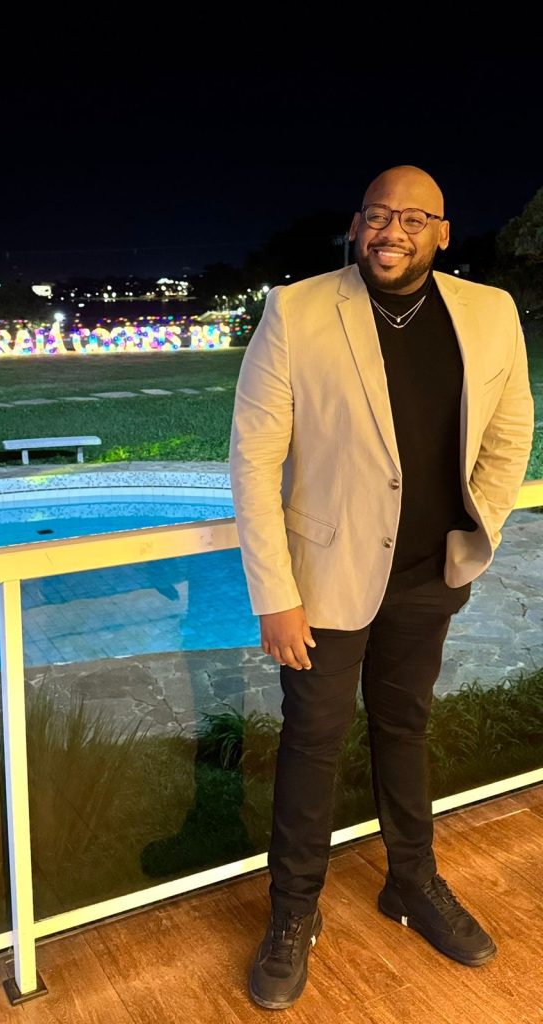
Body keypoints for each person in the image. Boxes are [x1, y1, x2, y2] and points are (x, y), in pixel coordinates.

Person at [229, 165, 535, 1011]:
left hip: (429, 572)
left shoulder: (489, 313)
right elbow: (253, 459)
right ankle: (294, 912)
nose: (390, 231)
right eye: (376, 215)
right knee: (313, 741)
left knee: (406, 728)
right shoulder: (296, 311)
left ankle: (412, 882)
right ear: (356, 225)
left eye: (412, 218)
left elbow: (511, 434)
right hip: (325, 578)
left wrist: (479, 526)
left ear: (443, 231)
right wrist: (275, 593)